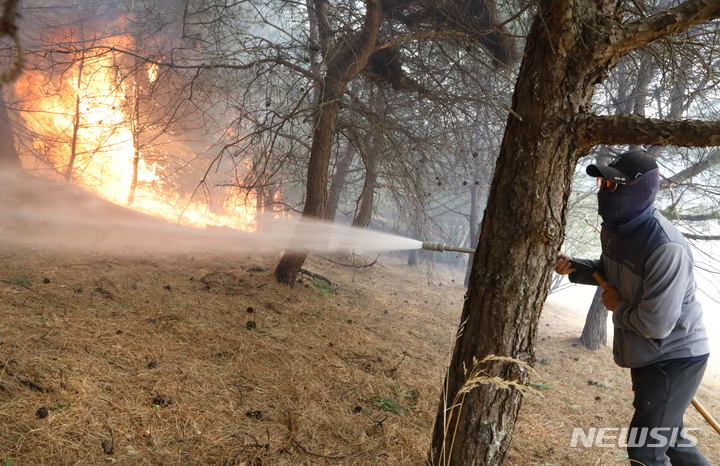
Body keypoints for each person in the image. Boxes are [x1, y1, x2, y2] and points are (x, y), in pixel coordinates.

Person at [555, 150, 711, 466]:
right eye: (603, 184)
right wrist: (577, 267)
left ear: (639, 189)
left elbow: (657, 324)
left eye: (614, 185)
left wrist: (618, 307)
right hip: (650, 353)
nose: (605, 191)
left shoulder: (665, 247)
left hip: (673, 356)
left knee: (646, 450)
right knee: (671, 441)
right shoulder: (614, 229)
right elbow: (610, 271)